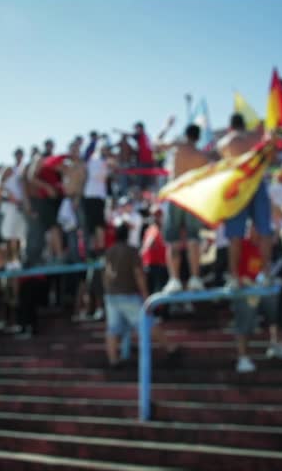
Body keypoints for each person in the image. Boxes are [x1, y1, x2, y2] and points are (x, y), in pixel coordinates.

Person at [103, 223, 178, 368]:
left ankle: (113, 360)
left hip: (112, 295)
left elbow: (107, 274)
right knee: (148, 322)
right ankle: (169, 348)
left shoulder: (110, 251)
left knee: (113, 329)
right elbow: (139, 275)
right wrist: (146, 296)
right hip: (127, 294)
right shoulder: (131, 251)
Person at [216, 114, 269, 290]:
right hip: (256, 183)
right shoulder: (256, 137)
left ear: (230, 126)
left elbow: (223, 165)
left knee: (235, 235)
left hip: (237, 187)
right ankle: (267, 274)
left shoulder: (225, 143)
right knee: (263, 231)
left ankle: (233, 277)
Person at [157, 124, 209, 293]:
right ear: (198, 138)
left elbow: (156, 144)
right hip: (192, 197)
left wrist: (167, 125)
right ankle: (195, 278)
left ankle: (174, 280)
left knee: (173, 240)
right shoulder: (202, 156)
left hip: (176, 195)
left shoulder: (178, 146)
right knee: (194, 238)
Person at [25, 139, 66, 264]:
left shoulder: (53, 159)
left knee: (54, 228)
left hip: (55, 199)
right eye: (48, 145)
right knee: (53, 227)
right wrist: (47, 187)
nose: (50, 147)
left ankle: (55, 255)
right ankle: (58, 256)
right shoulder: (40, 158)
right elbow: (31, 177)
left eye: (51, 145)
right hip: (45, 199)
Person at [82, 139, 114, 256]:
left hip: (99, 196)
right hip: (91, 196)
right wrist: (107, 166)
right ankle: (93, 250)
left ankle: (99, 249)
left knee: (99, 224)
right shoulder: (95, 160)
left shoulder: (101, 161)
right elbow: (98, 175)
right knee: (93, 226)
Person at [0, 149, 28, 268]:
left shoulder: (25, 169)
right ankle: (11, 260)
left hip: (21, 206)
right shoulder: (9, 169)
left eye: (21, 154)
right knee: (10, 234)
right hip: (11, 206)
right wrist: (11, 197)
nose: (19, 156)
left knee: (20, 234)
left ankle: (18, 259)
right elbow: (1, 185)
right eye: (17, 154)